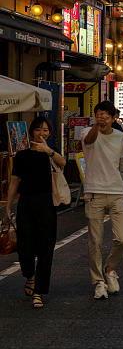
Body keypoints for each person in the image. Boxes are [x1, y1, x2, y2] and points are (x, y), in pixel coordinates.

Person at [5, 117, 65, 309]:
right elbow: (15, 181)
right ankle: (29, 275)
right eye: (39, 129)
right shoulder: (22, 155)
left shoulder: (51, 153)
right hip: (26, 204)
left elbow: (63, 163)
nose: (42, 133)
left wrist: (48, 151)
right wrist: (8, 204)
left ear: (50, 133)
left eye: (46, 130)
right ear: (32, 131)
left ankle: (39, 291)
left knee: (46, 248)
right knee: (25, 246)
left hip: (47, 203)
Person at [82, 100, 123, 299]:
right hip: (94, 192)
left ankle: (110, 269)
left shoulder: (120, 137)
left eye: (106, 116)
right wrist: (96, 125)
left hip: (116, 191)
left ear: (114, 118)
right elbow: (90, 141)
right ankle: (98, 281)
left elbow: (121, 164)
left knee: (122, 239)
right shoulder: (87, 132)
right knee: (96, 241)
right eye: (98, 114)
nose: (102, 118)